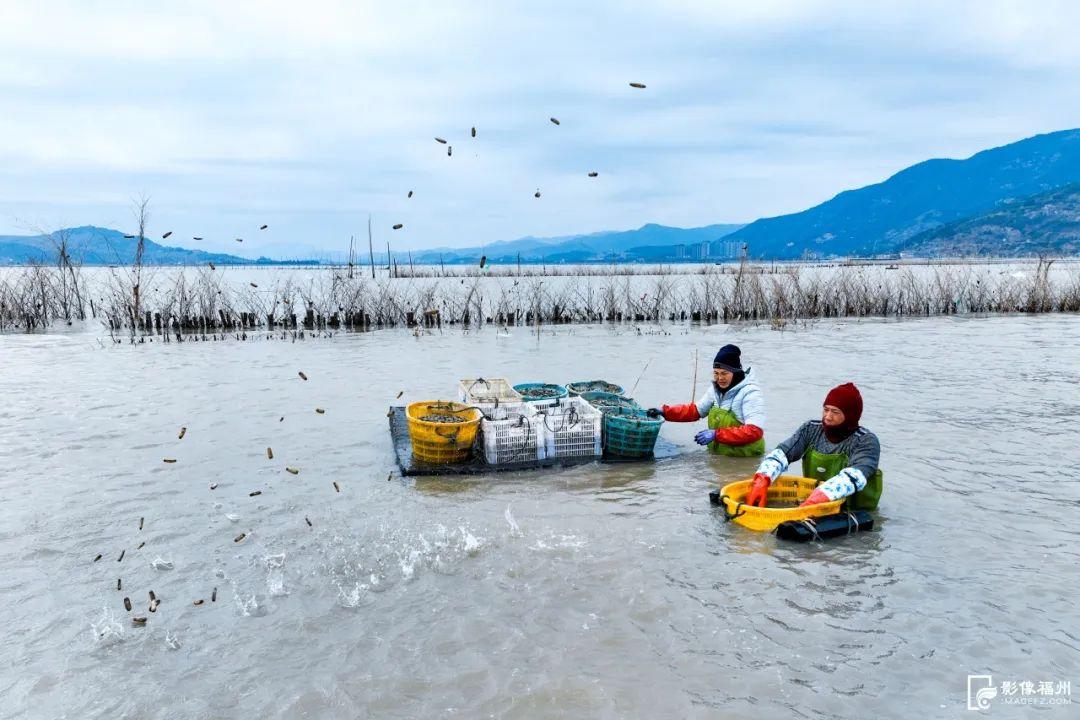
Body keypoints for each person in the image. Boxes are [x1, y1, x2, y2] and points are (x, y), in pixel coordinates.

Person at [747, 382, 882, 509]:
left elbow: (855, 475)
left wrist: (822, 495)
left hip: (853, 510)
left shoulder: (866, 441)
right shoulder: (811, 429)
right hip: (813, 503)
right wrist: (763, 478)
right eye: (826, 410)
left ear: (850, 416)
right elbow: (783, 453)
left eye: (835, 412)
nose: (828, 417)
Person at [645, 344, 765, 456]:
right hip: (721, 456)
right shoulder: (715, 390)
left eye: (724, 373)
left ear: (735, 372)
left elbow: (754, 431)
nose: (720, 378)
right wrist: (665, 412)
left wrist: (716, 434)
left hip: (746, 457)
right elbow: (696, 411)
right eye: (716, 373)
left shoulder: (750, 393)